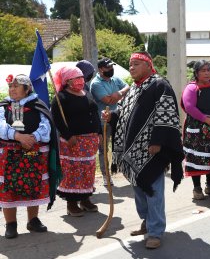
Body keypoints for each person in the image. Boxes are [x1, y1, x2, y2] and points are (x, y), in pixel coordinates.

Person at [102, 51, 184, 249]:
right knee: (138, 188)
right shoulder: (133, 89)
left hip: (152, 149)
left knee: (153, 190)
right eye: (130, 64)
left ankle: (155, 231)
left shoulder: (159, 85)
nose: (132, 67)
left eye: (136, 63)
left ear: (148, 65)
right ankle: (146, 222)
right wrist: (112, 117)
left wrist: (157, 140)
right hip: (133, 151)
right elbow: (124, 113)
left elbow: (167, 114)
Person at [0, 74, 61, 239]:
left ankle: (33, 220)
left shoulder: (38, 106)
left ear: (27, 89)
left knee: (34, 185)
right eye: (10, 86)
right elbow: (0, 126)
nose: (12, 89)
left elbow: (46, 127)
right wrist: (18, 136)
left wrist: (32, 137)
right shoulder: (4, 107)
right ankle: (11, 224)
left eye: (16, 86)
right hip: (9, 156)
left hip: (34, 155)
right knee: (8, 188)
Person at [51, 66, 101, 217]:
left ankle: (85, 199)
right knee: (73, 171)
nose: (80, 81)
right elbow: (58, 119)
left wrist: (98, 132)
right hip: (72, 142)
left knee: (88, 170)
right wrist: (68, 135)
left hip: (89, 141)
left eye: (81, 77)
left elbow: (94, 113)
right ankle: (71, 203)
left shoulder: (86, 93)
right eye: (76, 78)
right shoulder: (61, 98)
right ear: (67, 81)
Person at [181, 60, 210, 200]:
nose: (207, 73)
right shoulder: (192, 88)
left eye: (208, 70)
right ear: (196, 73)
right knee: (196, 157)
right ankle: (197, 189)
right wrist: (206, 120)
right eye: (203, 70)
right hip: (196, 128)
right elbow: (189, 107)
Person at [90, 57, 129, 186]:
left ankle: (123, 170)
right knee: (103, 150)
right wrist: (119, 95)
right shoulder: (96, 84)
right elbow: (108, 101)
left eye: (111, 67)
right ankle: (106, 176)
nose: (111, 70)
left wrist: (117, 94)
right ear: (101, 69)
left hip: (117, 117)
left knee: (121, 145)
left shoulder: (115, 79)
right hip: (103, 121)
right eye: (108, 68)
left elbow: (128, 87)